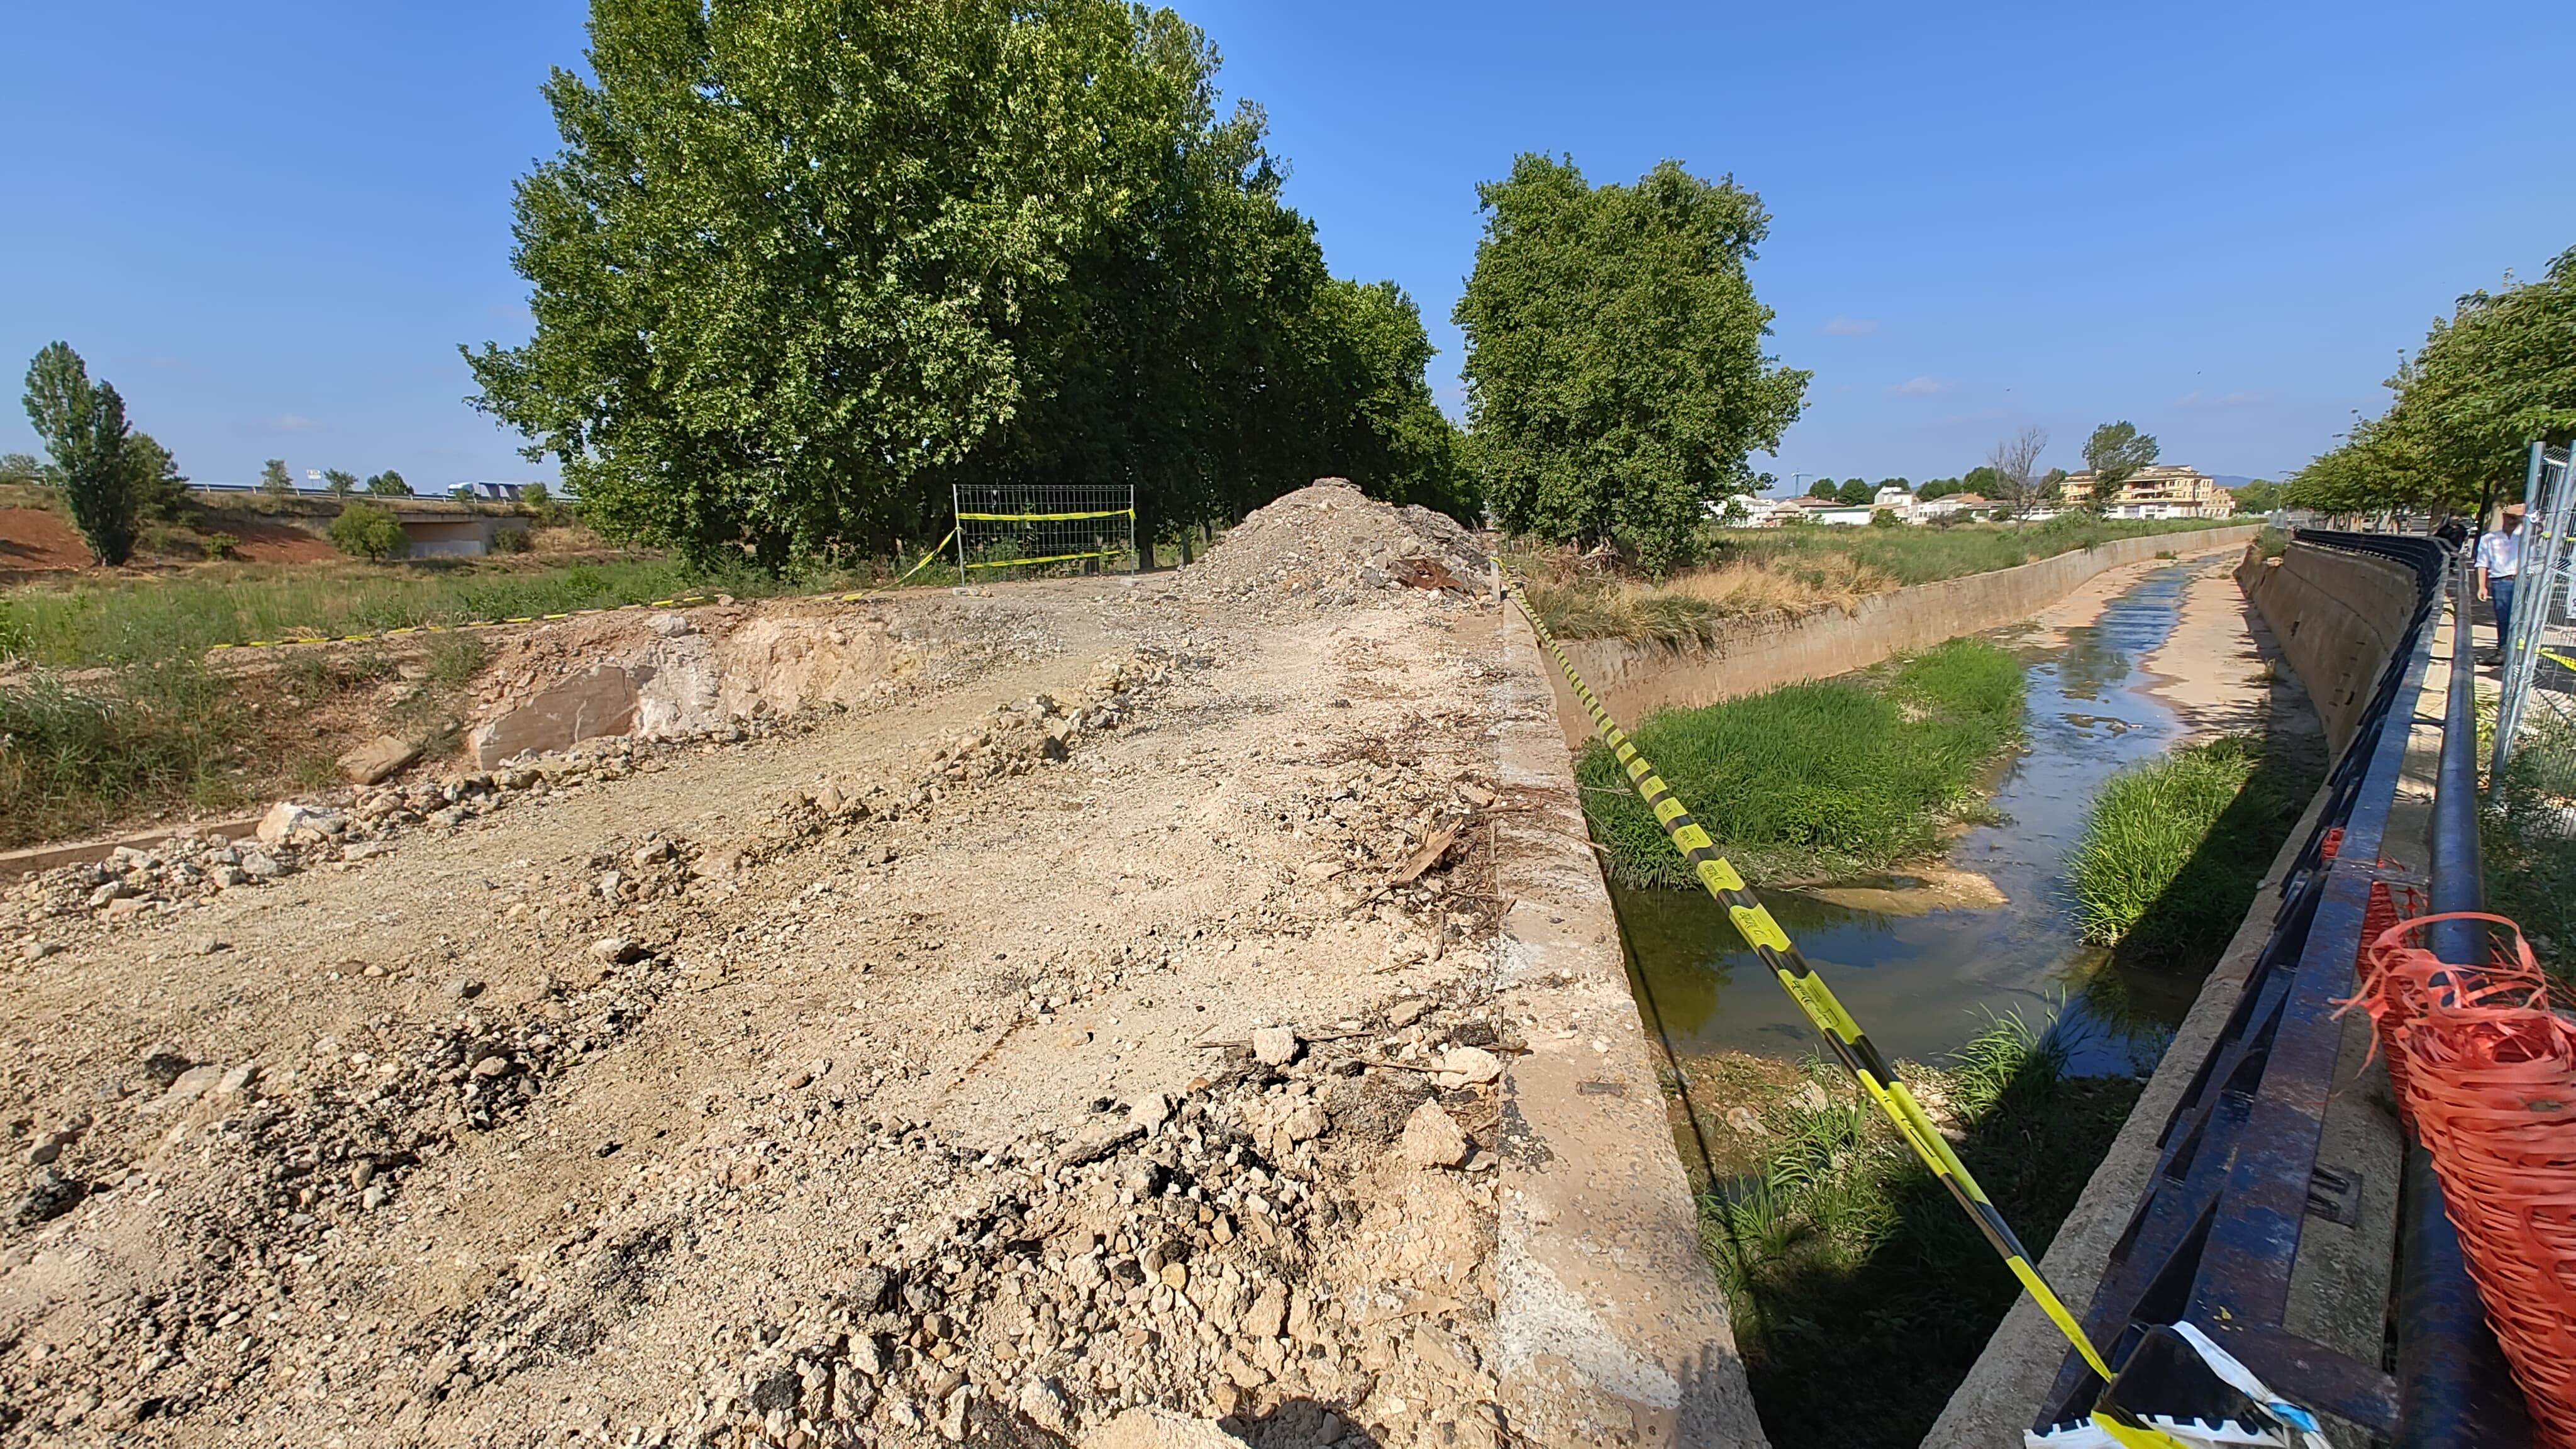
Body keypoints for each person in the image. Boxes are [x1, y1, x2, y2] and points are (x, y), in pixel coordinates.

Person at [2475, 502, 2527, 651]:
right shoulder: (2489, 539)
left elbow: (2540, 530)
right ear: (2504, 517)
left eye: (2517, 519)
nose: (2513, 521)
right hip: (2501, 581)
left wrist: (2525, 519)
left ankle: (2522, 650)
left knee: (2523, 617)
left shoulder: (2526, 536)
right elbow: (2482, 563)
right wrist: (2482, 586)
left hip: (2523, 580)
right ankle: (2503, 649)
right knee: (2503, 618)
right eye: (2511, 517)